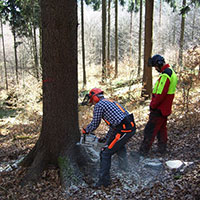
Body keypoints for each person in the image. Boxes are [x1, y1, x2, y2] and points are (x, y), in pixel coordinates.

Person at [81, 88, 136, 188]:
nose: (92, 102)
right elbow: (114, 125)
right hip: (126, 126)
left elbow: (95, 123)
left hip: (124, 129)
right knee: (119, 146)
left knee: (105, 153)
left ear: (95, 97)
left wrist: (86, 130)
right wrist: (107, 138)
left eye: (92, 100)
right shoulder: (109, 101)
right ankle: (124, 168)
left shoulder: (99, 105)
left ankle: (104, 181)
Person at [139, 54, 178, 155]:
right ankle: (162, 150)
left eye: (155, 66)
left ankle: (143, 152)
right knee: (161, 129)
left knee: (150, 130)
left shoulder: (166, 74)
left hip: (160, 108)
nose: (155, 68)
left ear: (159, 64)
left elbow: (160, 94)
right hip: (165, 108)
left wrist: (153, 105)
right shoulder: (170, 72)